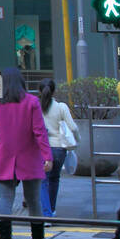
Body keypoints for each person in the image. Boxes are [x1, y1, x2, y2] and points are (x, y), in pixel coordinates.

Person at [0, 67, 50, 239]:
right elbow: (40, 131)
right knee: (34, 201)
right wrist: (47, 156)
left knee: (5, 200)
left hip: (4, 157)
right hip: (29, 156)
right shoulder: (32, 102)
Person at [39, 79, 78, 217]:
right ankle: (52, 209)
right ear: (54, 91)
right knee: (54, 179)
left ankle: (46, 213)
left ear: (39, 91)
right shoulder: (61, 107)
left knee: (43, 181)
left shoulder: (36, 107)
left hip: (42, 149)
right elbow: (73, 127)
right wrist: (76, 140)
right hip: (59, 148)